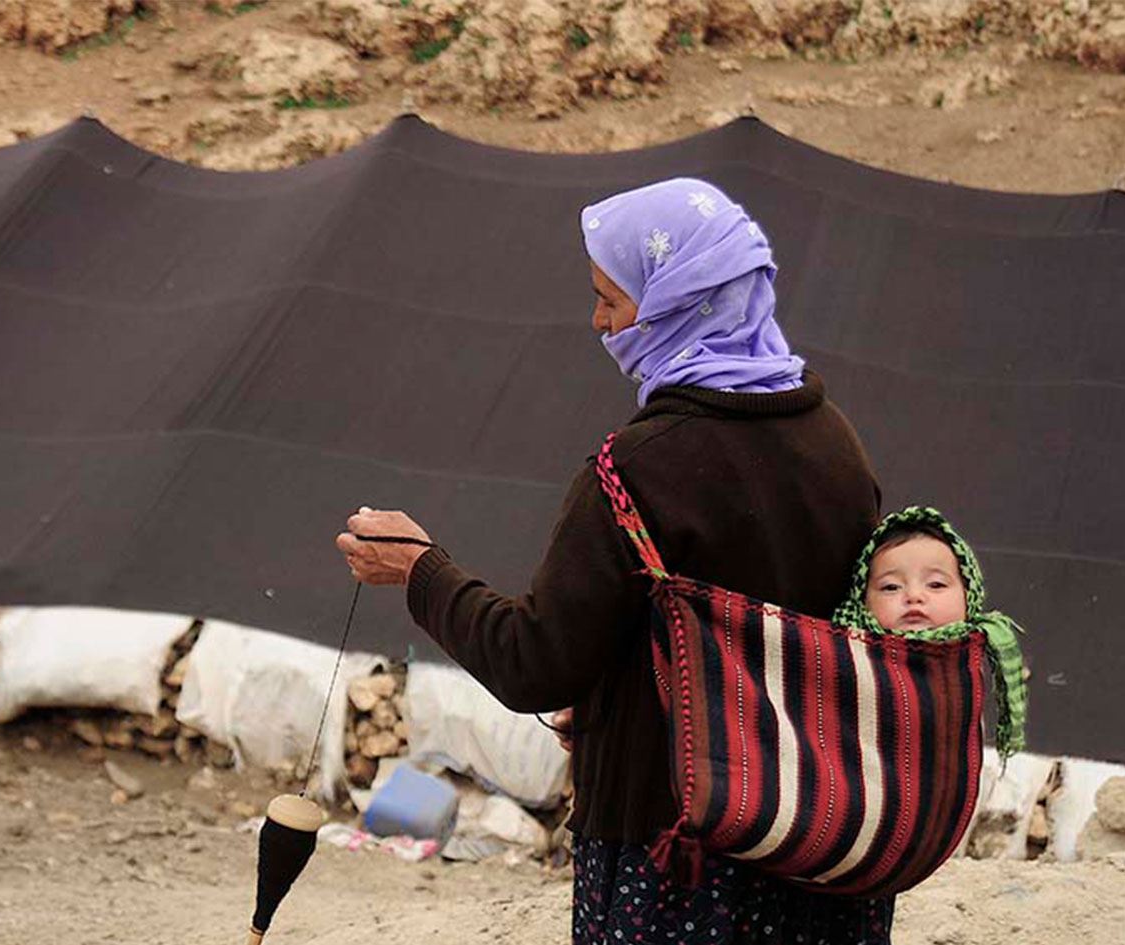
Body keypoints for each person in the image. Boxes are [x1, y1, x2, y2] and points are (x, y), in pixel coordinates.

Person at [337, 178, 895, 944]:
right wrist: (614, 697)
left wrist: (420, 569)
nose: (598, 320)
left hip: (678, 860)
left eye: (613, 298)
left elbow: (537, 662)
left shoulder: (641, 466)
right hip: (819, 841)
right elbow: (788, 636)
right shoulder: (837, 444)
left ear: (678, 300)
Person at [842, 507, 1028, 758]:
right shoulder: (845, 663)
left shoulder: (966, 666)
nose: (914, 597)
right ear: (862, 603)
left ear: (969, 595)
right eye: (891, 587)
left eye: (936, 584)